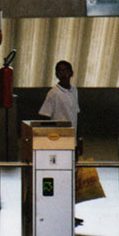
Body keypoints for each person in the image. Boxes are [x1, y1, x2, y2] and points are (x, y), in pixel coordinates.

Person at [38, 60, 103, 222]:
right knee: (58, 178)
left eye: (65, 70)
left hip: (72, 142)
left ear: (71, 73)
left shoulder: (74, 90)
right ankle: (56, 212)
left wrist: (79, 138)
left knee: (71, 179)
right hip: (58, 143)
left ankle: (68, 213)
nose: (62, 74)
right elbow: (44, 117)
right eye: (59, 71)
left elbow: (77, 114)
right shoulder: (53, 93)